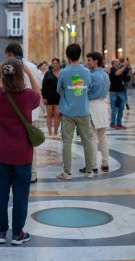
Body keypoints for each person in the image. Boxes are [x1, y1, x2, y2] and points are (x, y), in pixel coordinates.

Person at [0, 57, 41, 245]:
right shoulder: (28, 95)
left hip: (1, 151)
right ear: (20, 75)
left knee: (1, 193)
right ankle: (18, 233)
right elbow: (38, 93)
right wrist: (28, 72)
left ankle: (1, 232)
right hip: (22, 153)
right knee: (21, 193)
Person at [5, 42, 41, 183]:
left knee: (15, 143)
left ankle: (17, 173)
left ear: (12, 55)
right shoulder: (33, 67)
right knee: (31, 144)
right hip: (33, 112)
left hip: (16, 113)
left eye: (8, 55)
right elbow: (39, 88)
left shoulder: (9, 67)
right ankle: (32, 174)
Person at [56, 43, 93, 180]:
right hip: (83, 110)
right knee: (87, 141)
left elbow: (59, 90)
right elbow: (88, 88)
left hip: (68, 111)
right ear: (80, 54)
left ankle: (67, 173)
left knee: (67, 141)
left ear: (67, 56)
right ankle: (90, 171)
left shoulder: (63, 72)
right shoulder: (87, 71)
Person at [79, 52, 110, 174]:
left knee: (92, 137)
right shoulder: (105, 75)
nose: (87, 62)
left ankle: (92, 165)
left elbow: (87, 91)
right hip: (103, 105)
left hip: (93, 105)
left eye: (89, 60)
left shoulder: (92, 76)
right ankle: (105, 163)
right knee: (103, 137)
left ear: (96, 61)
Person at [42, 58, 61, 138]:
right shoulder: (48, 73)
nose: (55, 65)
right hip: (49, 96)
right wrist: (44, 97)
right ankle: (50, 133)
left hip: (59, 97)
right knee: (49, 115)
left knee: (57, 115)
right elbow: (44, 85)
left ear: (59, 64)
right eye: (53, 63)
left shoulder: (62, 73)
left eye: (56, 63)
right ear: (52, 64)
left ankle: (56, 133)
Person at [109, 59, 129, 129]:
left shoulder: (120, 69)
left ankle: (119, 123)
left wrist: (126, 67)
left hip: (121, 92)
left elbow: (125, 74)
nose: (118, 63)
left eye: (118, 62)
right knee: (114, 109)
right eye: (116, 62)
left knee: (121, 108)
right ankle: (112, 123)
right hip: (114, 92)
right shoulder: (112, 69)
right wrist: (124, 67)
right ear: (113, 63)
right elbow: (117, 73)